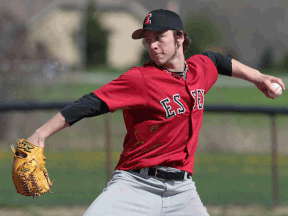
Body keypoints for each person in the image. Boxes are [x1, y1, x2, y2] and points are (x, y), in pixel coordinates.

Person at [26, 9, 285, 216]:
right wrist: (41, 133)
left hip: (182, 190)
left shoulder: (199, 69)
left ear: (179, 37)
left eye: (159, 37)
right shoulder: (140, 78)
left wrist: (258, 77)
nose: (153, 46)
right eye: (147, 40)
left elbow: (219, 61)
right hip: (134, 185)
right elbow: (89, 103)